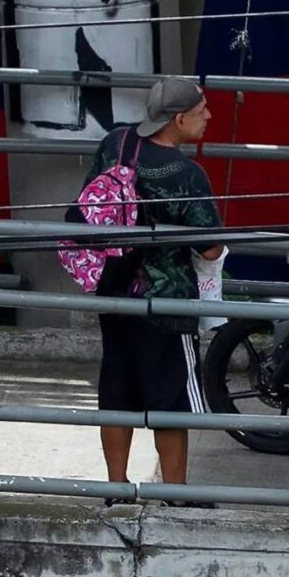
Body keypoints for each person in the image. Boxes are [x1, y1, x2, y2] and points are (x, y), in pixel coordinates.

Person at [89, 77, 222, 504]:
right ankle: (175, 494)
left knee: (117, 391)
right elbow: (211, 244)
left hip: (113, 292)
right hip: (167, 303)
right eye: (202, 111)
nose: (209, 117)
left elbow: (91, 202)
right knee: (172, 402)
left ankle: (115, 488)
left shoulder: (116, 144)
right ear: (179, 119)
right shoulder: (188, 174)